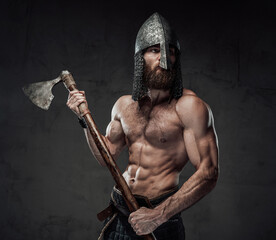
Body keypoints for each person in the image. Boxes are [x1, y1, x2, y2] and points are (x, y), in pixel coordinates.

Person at [67, 12, 219, 240]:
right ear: (140, 58)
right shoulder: (123, 105)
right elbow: (105, 156)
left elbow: (209, 172)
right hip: (119, 212)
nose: (163, 58)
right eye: (155, 50)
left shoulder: (189, 107)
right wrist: (83, 117)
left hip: (160, 220)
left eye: (170, 51)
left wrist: (158, 215)